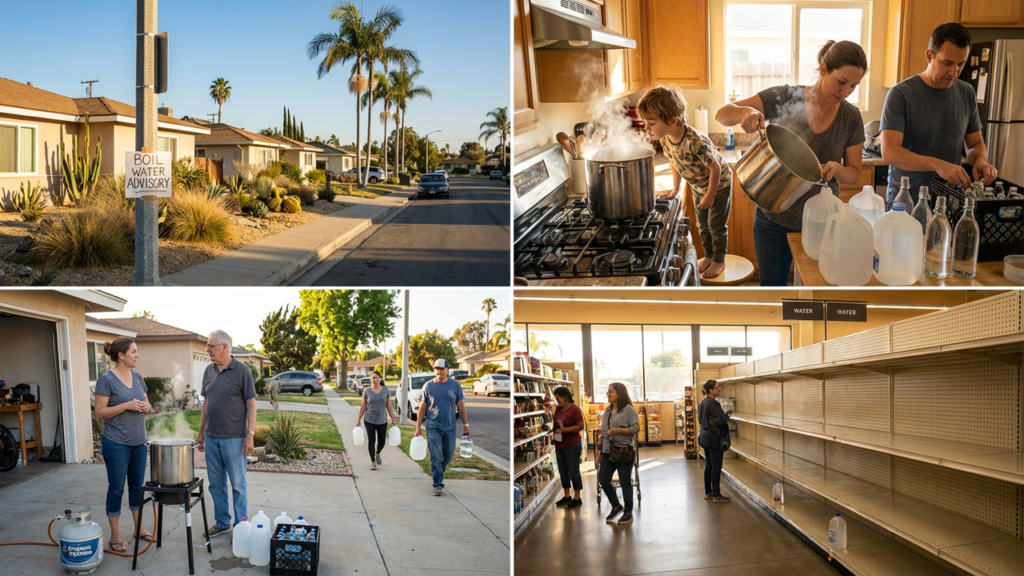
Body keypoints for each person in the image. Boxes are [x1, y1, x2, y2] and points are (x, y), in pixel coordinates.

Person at [717, 40, 867, 286]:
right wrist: (745, 113)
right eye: (841, 82)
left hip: (823, 222)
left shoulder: (850, 116)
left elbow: (853, 174)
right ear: (823, 68)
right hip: (773, 220)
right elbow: (722, 114)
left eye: (853, 86)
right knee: (773, 290)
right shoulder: (784, 97)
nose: (845, 92)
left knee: (818, 291)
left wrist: (838, 169)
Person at [880, 22, 997, 205]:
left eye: (961, 64)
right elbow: (889, 152)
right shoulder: (901, 94)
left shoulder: (967, 92)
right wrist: (938, 165)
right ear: (929, 56)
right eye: (947, 63)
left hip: (949, 201)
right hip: (906, 202)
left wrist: (980, 160)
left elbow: (974, 143)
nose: (954, 72)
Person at [638, 85, 733, 279]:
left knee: (716, 225)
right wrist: (676, 188)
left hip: (719, 185)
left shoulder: (695, 142)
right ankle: (709, 255)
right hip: (698, 187)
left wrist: (710, 195)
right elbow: (675, 162)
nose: (646, 128)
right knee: (702, 225)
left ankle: (719, 260)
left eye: (651, 123)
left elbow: (715, 168)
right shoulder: (664, 139)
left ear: (672, 120)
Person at [93, 337, 153, 553]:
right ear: (121, 355)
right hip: (116, 442)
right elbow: (99, 412)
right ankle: (115, 536)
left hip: (138, 443)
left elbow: (146, 403)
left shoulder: (137, 377)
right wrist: (125, 405)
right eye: (134, 352)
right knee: (117, 489)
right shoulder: (106, 379)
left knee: (137, 488)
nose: (137, 355)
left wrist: (146, 406)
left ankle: (139, 529)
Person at [195, 330, 256, 538]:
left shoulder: (242, 371)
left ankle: (241, 527)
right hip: (212, 438)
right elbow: (206, 403)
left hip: (235, 439)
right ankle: (222, 522)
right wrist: (201, 432)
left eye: (211, 346)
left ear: (224, 347)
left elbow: (252, 405)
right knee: (216, 484)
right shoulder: (209, 371)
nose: (207, 349)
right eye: (207, 345)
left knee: (238, 485)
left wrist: (250, 434)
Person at [413, 359, 470, 496]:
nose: (438, 371)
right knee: (436, 456)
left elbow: (461, 406)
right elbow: (422, 407)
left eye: (441, 368)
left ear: (447, 369)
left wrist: (465, 425)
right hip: (433, 425)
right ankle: (438, 483)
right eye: (436, 368)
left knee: (449, 455)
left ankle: (439, 471)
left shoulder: (455, 385)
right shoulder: (428, 386)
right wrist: (418, 427)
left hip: (450, 427)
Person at [598, 382, 640, 526]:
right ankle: (616, 506)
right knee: (603, 480)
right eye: (608, 391)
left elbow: (635, 428)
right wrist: (599, 451)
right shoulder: (607, 411)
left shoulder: (628, 410)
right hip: (607, 451)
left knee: (625, 483)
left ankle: (628, 512)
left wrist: (619, 431)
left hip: (623, 451)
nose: (608, 394)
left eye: (611, 391)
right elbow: (603, 432)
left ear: (619, 394)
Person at [355, 370, 399, 471]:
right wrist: (358, 420)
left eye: (376, 377)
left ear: (380, 378)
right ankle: (373, 462)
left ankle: (377, 453)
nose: (374, 379)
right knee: (371, 441)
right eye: (373, 378)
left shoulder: (385, 391)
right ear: (371, 379)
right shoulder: (367, 391)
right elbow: (363, 406)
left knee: (382, 441)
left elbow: (389, 406)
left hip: (382, 420)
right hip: (369, 419)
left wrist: (393, 418)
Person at [698, 380, 731, 503]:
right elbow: (719, 421)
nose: (719, 389)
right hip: (714, 438)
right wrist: (726, 417)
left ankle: (709, 493)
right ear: (710, 390)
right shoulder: (714, 404)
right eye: (717, 388)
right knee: (716, 466)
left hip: (704, 436)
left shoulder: (702, 403)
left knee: (709, 465)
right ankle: (717, 495)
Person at [551, 386, 585, 508]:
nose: (557, 400)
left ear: (565, 397)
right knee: (563, 471)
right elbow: (556, 423)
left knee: (573, 471)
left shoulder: (575, 410)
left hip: (572, 444)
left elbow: (581, 426)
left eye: (558, 398)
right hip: (559, 444)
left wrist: (563, 430)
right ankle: (567, 496)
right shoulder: (558, 409)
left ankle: (577, 497)